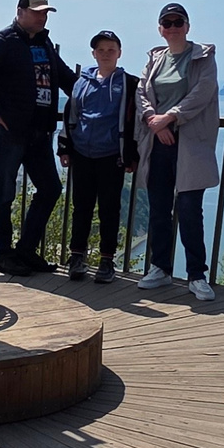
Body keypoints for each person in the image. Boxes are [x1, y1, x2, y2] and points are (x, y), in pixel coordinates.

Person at [0, 0, 74, 275]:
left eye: (45, 12)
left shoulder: (44, 43)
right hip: (11, 132)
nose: (42, 16)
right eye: (37, 11)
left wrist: (101, 89)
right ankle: (4, 254)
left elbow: (66, 79)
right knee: (4, 193)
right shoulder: (3, 41)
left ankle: (25, 250)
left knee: (50, 188)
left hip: (39, 131)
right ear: (20, 11)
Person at [135, 2, 220, 302]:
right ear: (160, 28)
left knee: (189, 210)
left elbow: (202, 94)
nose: (172, 27)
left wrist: (168, 117)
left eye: (177, 21)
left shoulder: (203, 57)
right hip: (159, 142)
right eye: (166, 22)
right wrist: (154, 123)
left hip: (191, 144)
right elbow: (142, 93)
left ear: (187, 25)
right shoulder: (155, 59)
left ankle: (197, 275)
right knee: (158, 209)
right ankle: (160, 268)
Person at [59, 30, 136, 281]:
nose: (105, 54)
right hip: (82, 152)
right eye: (101, 50)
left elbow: (133, 121)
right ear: (93, 53)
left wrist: (131, 155)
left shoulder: (128, 84)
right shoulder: (81, 82)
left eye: (110, 50)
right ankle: (77, 257)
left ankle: (106, 261)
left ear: (119, 53)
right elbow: (71, 115)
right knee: (81, 207)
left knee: (109, 209)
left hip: (111, 155)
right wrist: (65, 148)